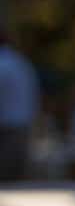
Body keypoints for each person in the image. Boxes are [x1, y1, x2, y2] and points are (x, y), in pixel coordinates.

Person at [0, 21, 40, 181]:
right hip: (21, 126)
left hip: (8, 129)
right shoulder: (20, 62)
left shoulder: (4, 64)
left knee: (7, 181)